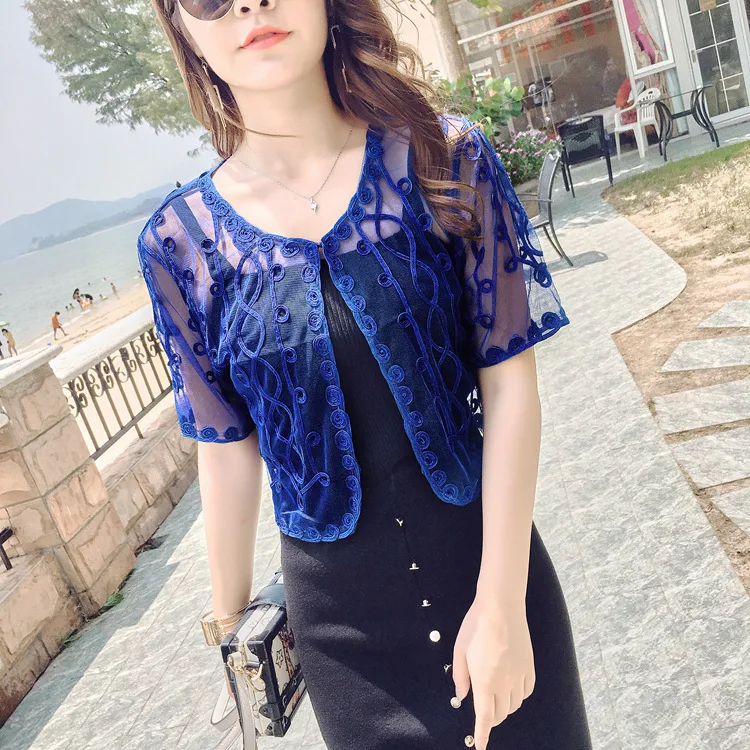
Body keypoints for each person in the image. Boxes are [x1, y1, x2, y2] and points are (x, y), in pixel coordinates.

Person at [139, 2, 590, 749]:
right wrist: (231, 634)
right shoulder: (178, 244)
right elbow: (224, 448)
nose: (248, 4)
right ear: (182, 27)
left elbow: (510, 385)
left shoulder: (445, 157)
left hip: (496, 583)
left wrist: (503, 603)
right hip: (345, 647)